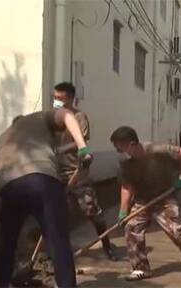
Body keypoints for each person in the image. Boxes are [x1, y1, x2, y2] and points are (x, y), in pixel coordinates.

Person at [0, 107, 92, 287]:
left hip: (9, 185)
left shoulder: (5, 136)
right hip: (42, 179)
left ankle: (0, 283)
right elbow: (66, 114)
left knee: (7, 242)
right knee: (58, 241)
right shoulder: (38, 117)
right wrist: (82, 147)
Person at [110, 126, 181, 284]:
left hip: (164, 199)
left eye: (119, 146)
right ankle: (141, 268)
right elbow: (127, 187)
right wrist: (123, 212)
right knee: (131, 228)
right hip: (142, 200)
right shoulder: (125, 162)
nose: (117, 150)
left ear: (131, 143)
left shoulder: (157, 150)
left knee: (176, 232)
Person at [52, 82, 116, 261]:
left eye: (60, 99)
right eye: (54, 98)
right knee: (58, 213)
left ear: (71, 99)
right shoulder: (51, 118)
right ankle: (61, 250)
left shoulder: (79, 117)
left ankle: (106, 245)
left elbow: (82, 141)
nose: (56, 102)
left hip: (77, 172)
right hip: (57, 174)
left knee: (92, 210)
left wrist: (62, 150)